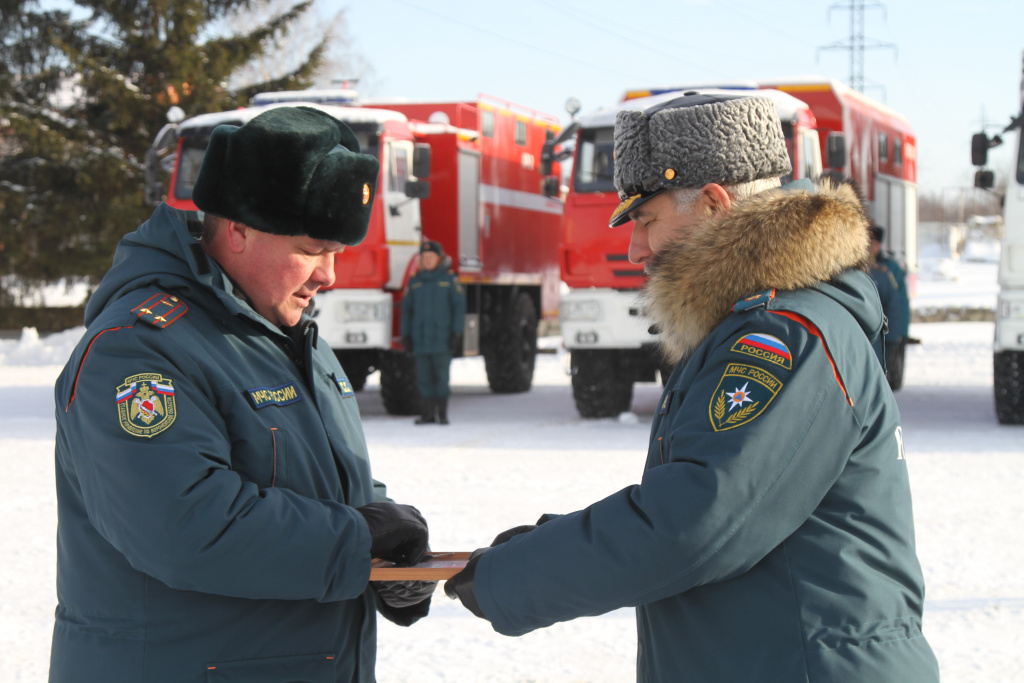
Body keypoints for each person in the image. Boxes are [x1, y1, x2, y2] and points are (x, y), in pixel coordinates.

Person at [444, 92, 938, 682]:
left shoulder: (784, 336)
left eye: (647, 219)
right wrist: (545, 545)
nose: (634, 248)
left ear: (711, 204)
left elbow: (696, 524)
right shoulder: (765, 322)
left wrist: (514, 578)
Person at [49, 106, 436, 683]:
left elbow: (325, 485)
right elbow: (185, 526)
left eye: (337, 251)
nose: (329, 275)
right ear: (239, 231)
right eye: (311, 249)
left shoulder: (295, 339)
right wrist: (357, 542)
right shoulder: (138, 350)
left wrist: (390, 560)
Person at [400, 239, 466, 425]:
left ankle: (442, 414)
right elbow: (407, 311)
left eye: (431, 257)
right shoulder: (415, 282)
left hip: (442, 340)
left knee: (441, 379)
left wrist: (457, 333)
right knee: (424, 380)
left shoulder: (449, 280)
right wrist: (406, 335)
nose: (428, 260)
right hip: (421, 341)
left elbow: (459, 308)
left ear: (439, 259)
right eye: (425, 257)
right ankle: (427, 415)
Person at [870, 225, 912, 390]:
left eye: (872, 244)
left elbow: (898, 303)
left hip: (886, 332)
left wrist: (898, 333)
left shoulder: (888, 269)